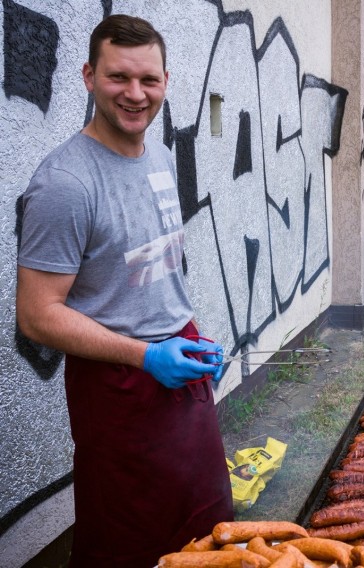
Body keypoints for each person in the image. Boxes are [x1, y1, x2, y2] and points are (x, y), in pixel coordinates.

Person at [15, 15, 232, 567]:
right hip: (116, 387)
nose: (136, 95)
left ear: (165, 80)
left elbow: (152, 269)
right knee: (128, 540)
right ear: (88, 76)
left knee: (210, 527)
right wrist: (146, 355)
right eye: (118, 78)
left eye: (149, 81)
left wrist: (191, 337)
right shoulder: (64, 182)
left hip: (180, 371)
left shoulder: (160, 156)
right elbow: (38, 316)